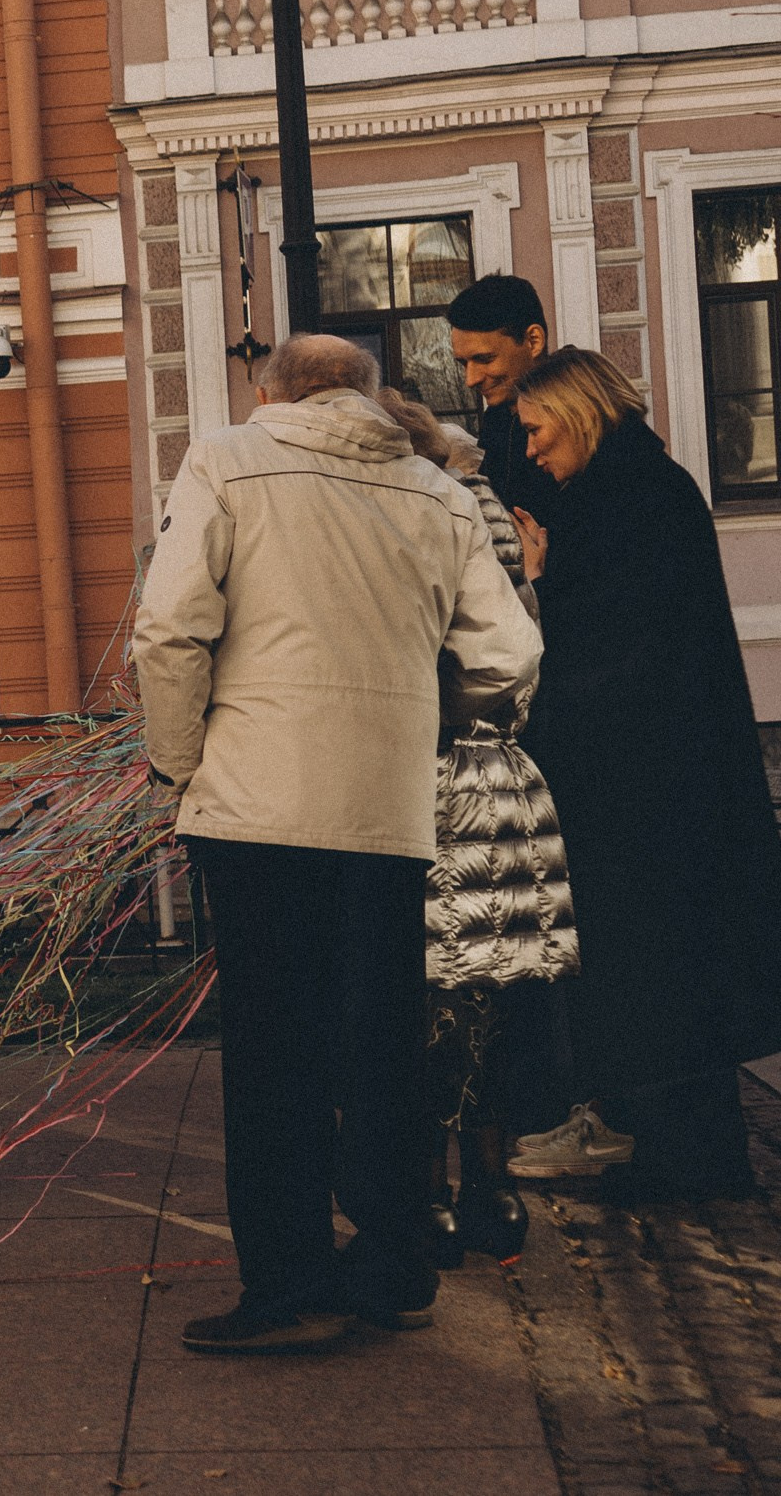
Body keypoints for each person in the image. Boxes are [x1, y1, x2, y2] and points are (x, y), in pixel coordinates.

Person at [134, 334, 541, 1354]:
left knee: (273, 1055)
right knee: (383, 1045)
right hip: (387, 807)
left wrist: (179, 766)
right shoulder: (437, 491)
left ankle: (284, 1287)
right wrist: (436, 724)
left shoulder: (226, 461)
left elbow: (170, 629)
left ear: (268, 391)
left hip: (257, 803)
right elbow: (507, 649)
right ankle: (395, 1270)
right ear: (365, 395)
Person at [508, 348, 781, 1199]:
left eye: (535, 425)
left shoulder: (615, 500)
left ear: (575, 411)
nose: (530, 448)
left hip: (639, 784)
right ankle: (691, 1155)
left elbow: (611, 647)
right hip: (673, 774)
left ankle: (683, 1166)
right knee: (678, 972)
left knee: (652, 973)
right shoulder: (650, 485)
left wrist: (547, 581)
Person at [376, 391, 577, 1265]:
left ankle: (428, 1197)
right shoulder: (477, 498)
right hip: (498, 779)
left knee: (424, 998)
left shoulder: (396, 503)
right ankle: (487, 1187)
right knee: (492, 995)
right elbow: (517, 641)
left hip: (418, 779)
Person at [446, 274, 559, 521]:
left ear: (533, 341)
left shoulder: (583, 417)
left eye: (485, 359)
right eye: (463, 363)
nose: (470, 379)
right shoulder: (498, 419)